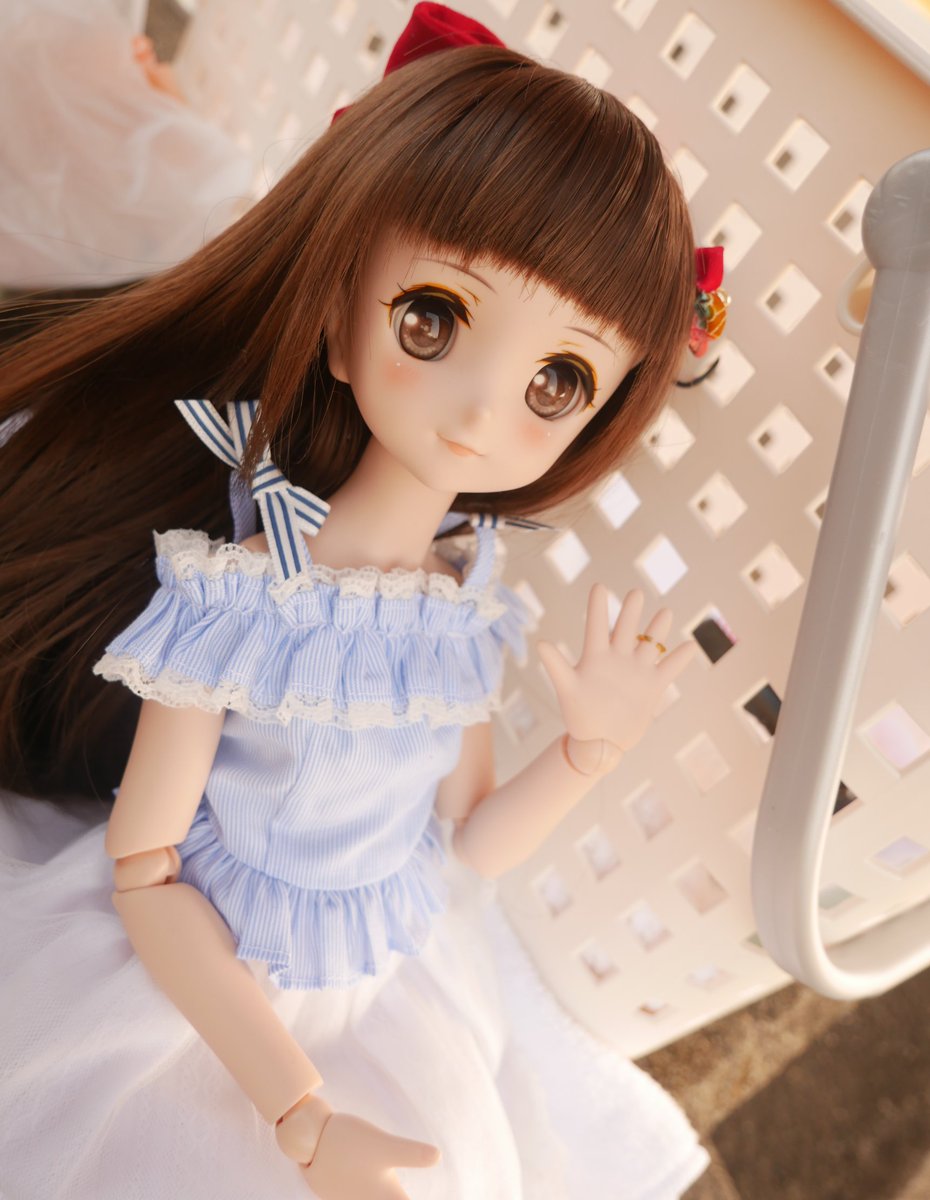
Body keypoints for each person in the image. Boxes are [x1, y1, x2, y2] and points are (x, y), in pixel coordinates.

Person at [0, 5, 716, 1197]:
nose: (482, 410)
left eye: (559, 379)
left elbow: (466, 844)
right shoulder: (243, 594)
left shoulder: (466, 600)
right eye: (432, 320)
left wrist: (586, 752)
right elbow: (147, 875)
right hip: (190, 992)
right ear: (341, 319)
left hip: (381, 990)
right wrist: (297, 1111)